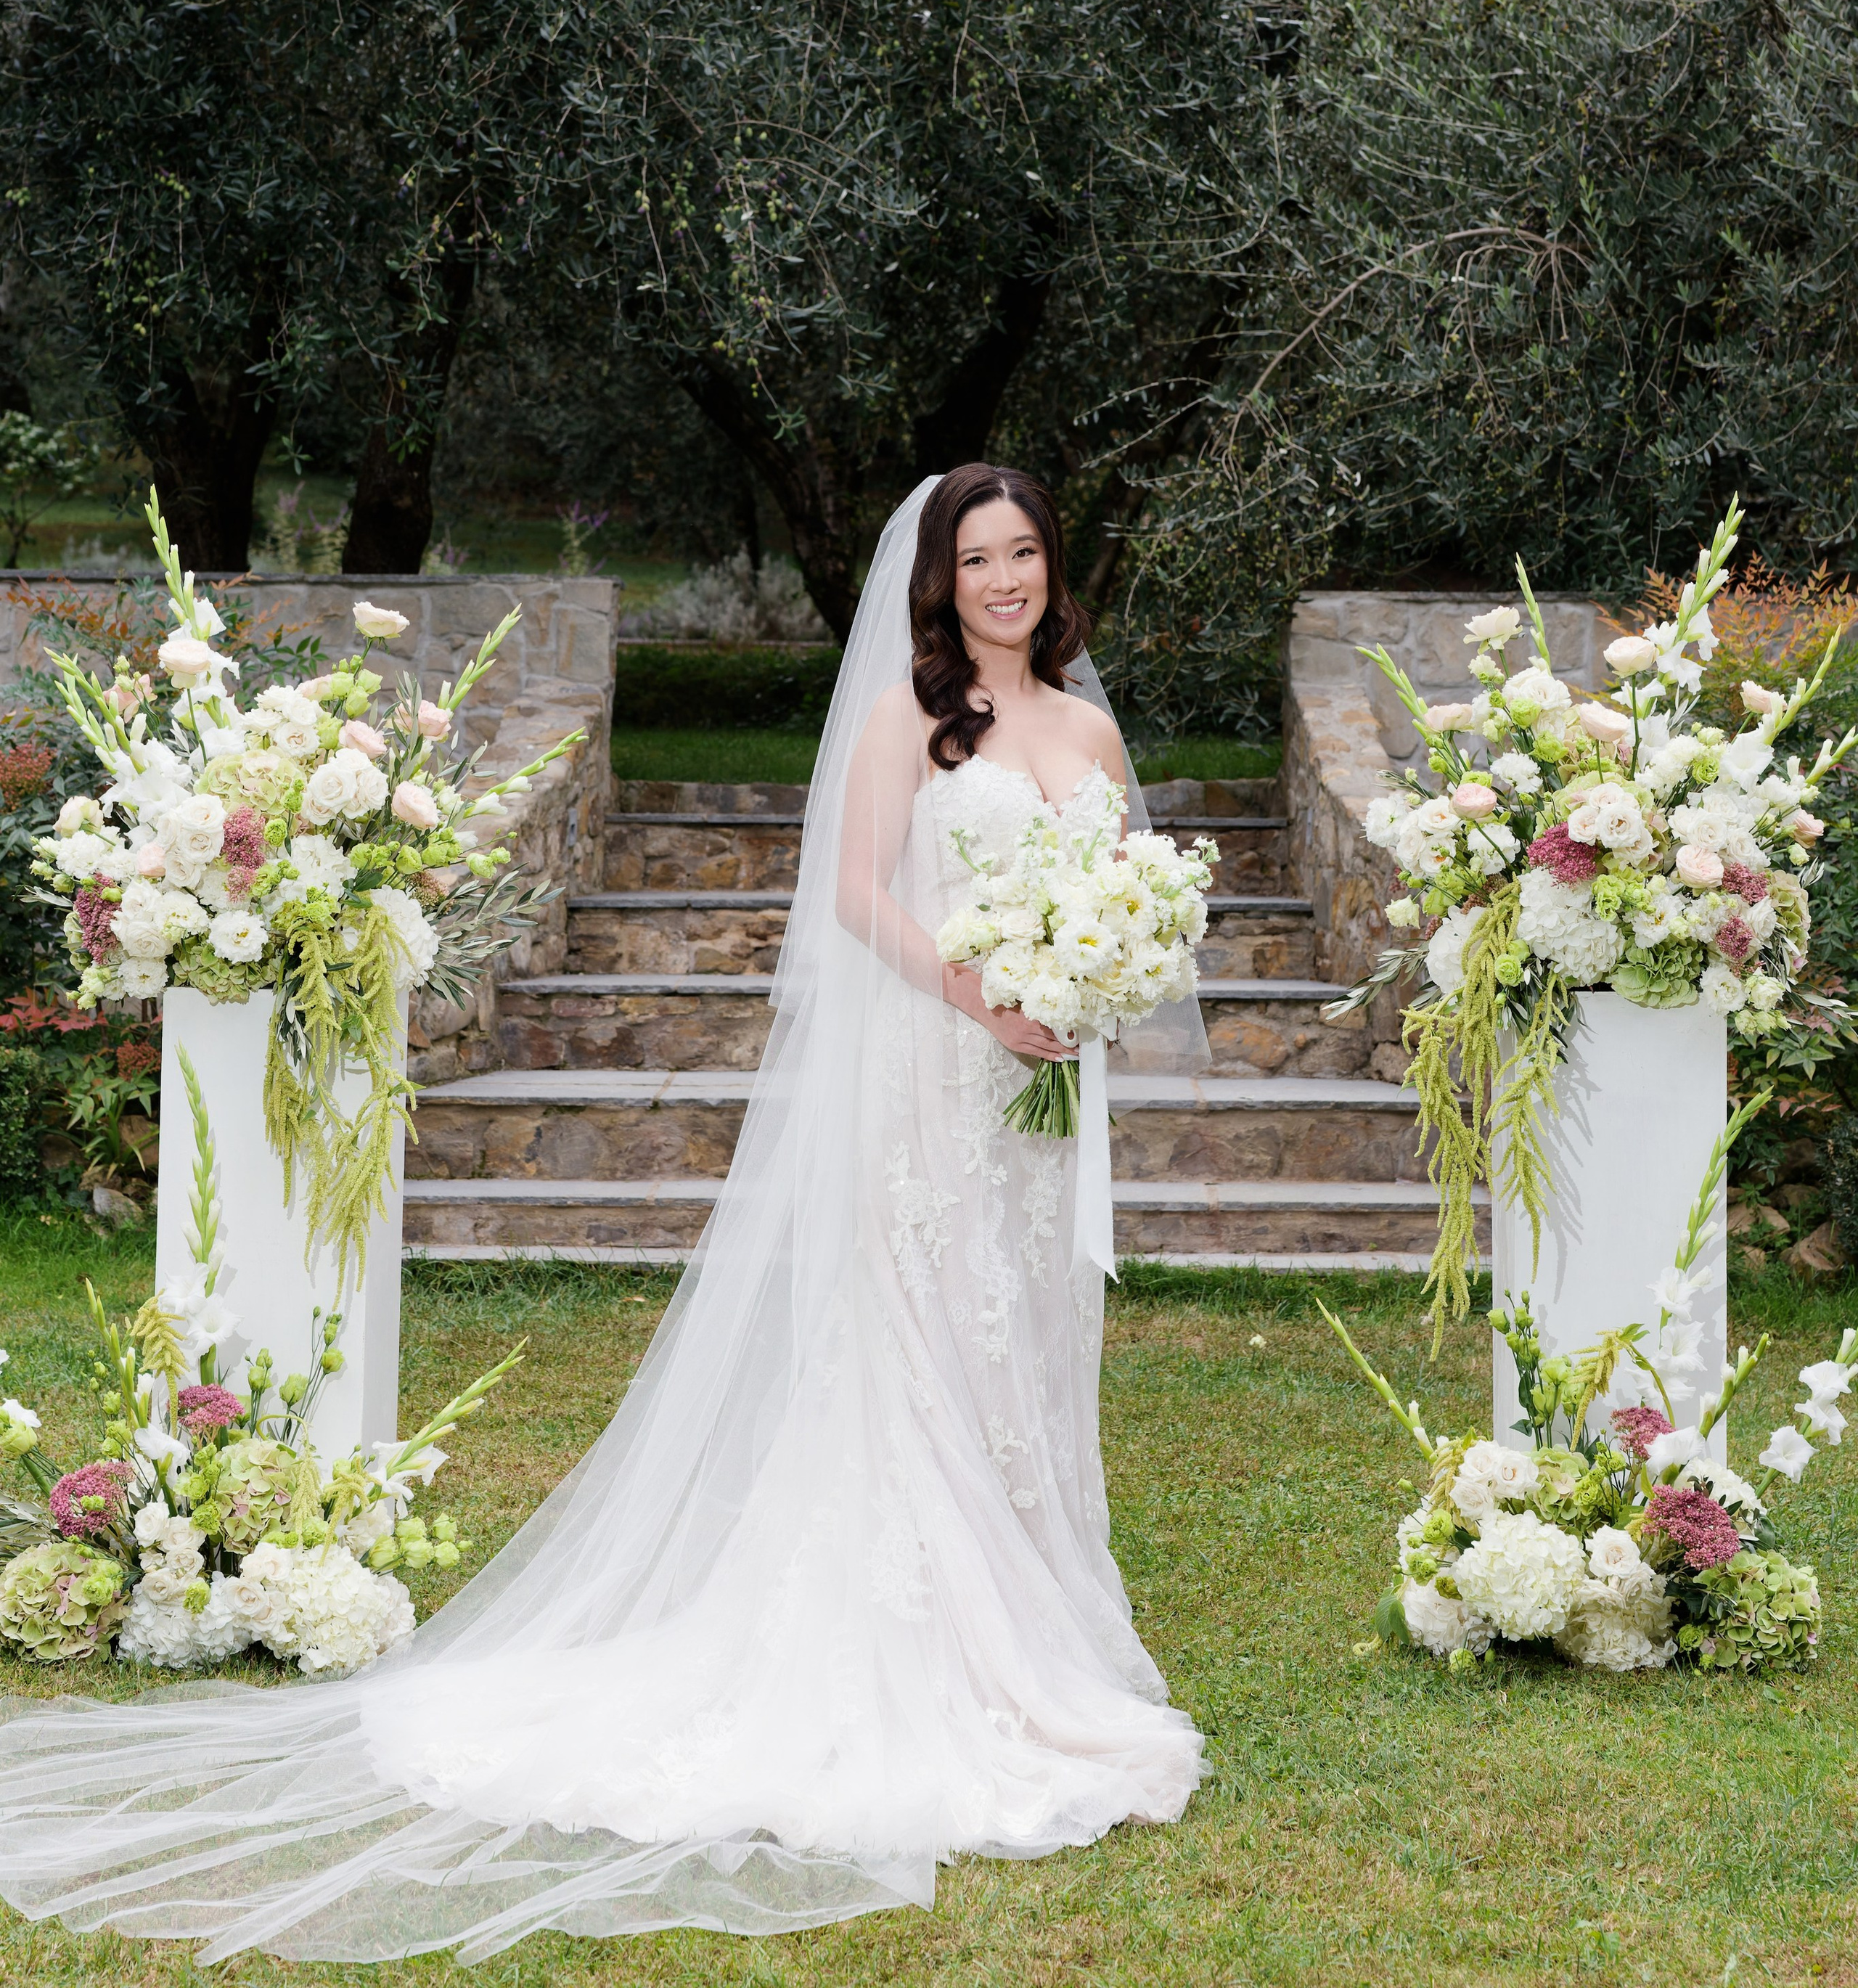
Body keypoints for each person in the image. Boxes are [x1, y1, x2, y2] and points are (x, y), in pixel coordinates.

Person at [0, 467, 1203, 1963]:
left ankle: (1031, 1642)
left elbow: (1128, 900)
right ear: (939, 582)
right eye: (978, 559)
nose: (1005, 579)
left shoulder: (1085, 727)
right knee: (916, 1355)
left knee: (1019, 1350)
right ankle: (930, 1656)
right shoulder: (909, 712)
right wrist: (987, 995)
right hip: (925, 1086)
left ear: (1049, 566)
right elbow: (852, 897)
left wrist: (1087, 989)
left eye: (1023, 553)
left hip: (1030, 1112)